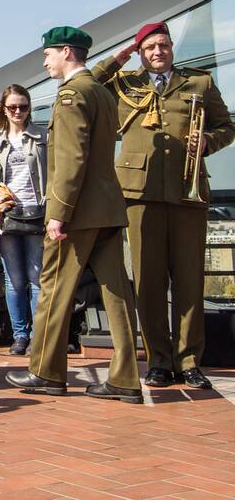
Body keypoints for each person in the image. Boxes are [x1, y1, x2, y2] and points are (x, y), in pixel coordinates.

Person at [92, 21, 234, 390]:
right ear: (140, 52)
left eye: (164, 46)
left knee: (189, 281)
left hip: (189, 193)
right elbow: (87, 86)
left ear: (172, 48)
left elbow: (228, 126)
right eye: (151, 47)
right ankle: (158, 360)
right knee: (148, 282)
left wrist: (209, 142)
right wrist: (114, 60)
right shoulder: (125, 83)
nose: (158, 52)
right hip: (140, 194)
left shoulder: (198, 82)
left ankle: (189, 361)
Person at [7, 26, 142, 403]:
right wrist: (114, 61)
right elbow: (91, 78)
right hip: (109, 209)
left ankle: (46, 371)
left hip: (77, 213)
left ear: (66, 52)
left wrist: (58, 213)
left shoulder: (70, 96)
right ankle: (126, 378)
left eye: (48, 54)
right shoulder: (97, 90)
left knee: (52, 290)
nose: (45, 61)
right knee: (117, 297)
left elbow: (70, 160)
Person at [0, 85, 47, 355]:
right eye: (12, 107)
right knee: (13, 280)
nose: (18, 112)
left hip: (37, 212)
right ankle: (19, 335)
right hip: (6, 216)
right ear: (3, 110)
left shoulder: (43, 136)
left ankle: (39, 335)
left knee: (37, 278)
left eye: (24, 107)